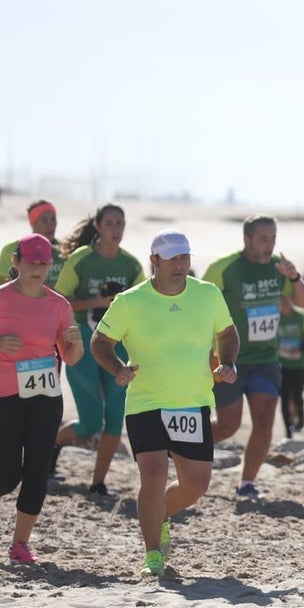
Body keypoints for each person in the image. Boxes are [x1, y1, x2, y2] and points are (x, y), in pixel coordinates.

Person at [91, 230, 238, 577]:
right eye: (172, 258)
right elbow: (100, 341)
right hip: (146, 400)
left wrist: (228, 362)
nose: (180, 264)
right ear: (154, 261)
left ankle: (161, 514)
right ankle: (152, 553)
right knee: (154, 474)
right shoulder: (130, 301)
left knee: (196, 484)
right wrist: (118, 368)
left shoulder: (207, 294)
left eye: (184, 257)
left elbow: (228, 333)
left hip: (192, 401)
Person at [202, 215, 304, 500]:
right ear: (246, 239)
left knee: (264, 422)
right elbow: (198, 304)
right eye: (263, 239)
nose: (269, 244)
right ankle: (183, 447)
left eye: (273, 238)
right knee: (228, 426)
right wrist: (206, 354)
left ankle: (246, 483)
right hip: (228, 358)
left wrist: (294, 277)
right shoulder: (224, 268)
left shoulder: (279, 268)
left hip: (266, 358)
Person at [1, 234, 84, 564]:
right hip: (5, 395)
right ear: (17, 263)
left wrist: (75, 343)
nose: (37, 269)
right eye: (31, 262)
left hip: (46, 396)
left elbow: (72, 357)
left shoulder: (59, 305)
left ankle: (20, 544)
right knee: (7, 476)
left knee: (37, 471)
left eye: (43, 263)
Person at [52, 203, 145, 495]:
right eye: (110, 224)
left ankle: (98, 482)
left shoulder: (131, 265)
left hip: (117, 347)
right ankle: (53, 444)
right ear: (98, 226)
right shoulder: (81, 260)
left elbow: (142, 306)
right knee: (91, 422)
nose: (116, 230)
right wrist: (98, 303)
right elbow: (61, 302)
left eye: (121, 223)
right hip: (81, 343)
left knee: (116, 418)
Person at [0, 200, 68, 287]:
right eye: (44, 220)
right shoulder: (11, 249)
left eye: (53, 219)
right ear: (33, 223)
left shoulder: (65, 250)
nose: (50, 225)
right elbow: (2, 285)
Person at [276, 296, 304, 438]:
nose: (285, 305)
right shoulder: (276, 318)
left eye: (286, 302)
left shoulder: (300, 316)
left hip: (299, 364)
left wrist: (299, 348)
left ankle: (301, 419)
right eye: (281, 303)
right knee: (285, 398)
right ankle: (288, 430)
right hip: (283, 365)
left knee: (298, 395)